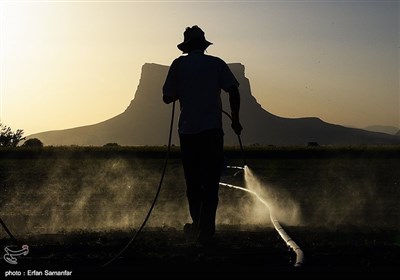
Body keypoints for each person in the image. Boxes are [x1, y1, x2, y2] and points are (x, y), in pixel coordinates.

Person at [162, 25, 242, 246]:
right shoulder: (216, 64)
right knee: (211, 183)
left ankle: (197, 225)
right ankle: (207, 230)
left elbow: (167, 97)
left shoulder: (178, 65)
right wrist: (235, 119)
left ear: (186, 47)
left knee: (193, 183)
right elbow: (233, 90)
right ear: (204, 46)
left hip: (188, 132)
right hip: (212, 132)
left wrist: (182, 90)